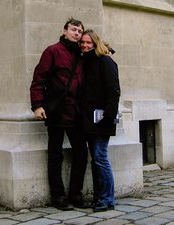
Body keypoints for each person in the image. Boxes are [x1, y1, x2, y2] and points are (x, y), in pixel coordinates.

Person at [30, 18, 88, 210]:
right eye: (73, 29)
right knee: (55, 155)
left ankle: (76, 195)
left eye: (80, 31)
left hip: (77, 112)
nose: (77, 33)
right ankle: (58, 197)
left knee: (81, 153)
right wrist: (37, 105)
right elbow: (39, 79)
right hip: (57, 111)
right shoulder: (52, 51)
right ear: (64, 31)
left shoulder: (82, 53)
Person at [80, 29, 121, 212]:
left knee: (100, 158)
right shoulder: (86, 63)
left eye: (89, 42)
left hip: (102, 119)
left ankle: (107, 199)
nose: (85, 45)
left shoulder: (106, 61)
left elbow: (113, 91)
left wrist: (109, 117)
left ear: (96, 43)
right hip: (88, 120)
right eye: (82, 42)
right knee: (96, 159)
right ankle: (99, 197)